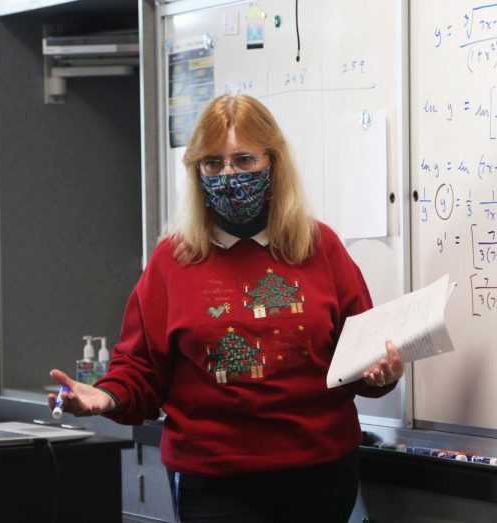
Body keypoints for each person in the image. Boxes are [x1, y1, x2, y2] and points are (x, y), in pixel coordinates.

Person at [48, 94, 403, 522]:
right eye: (213, 164)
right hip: (215, 483)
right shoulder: (173, 260)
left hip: (321, 475)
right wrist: (106, 395)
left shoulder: (319, 247)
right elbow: (140, 368)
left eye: (244, 160)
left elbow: (360, 357)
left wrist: (383, 375)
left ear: (274, 162)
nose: (228, 175)